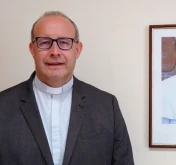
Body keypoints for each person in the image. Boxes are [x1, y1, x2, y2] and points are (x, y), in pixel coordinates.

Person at [0, 11, 134, 165]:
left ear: (77, 50)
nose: (55, 52)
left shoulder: (107, 106)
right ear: (32, 49)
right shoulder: (3, 106)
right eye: (44, 42)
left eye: (64, 42)